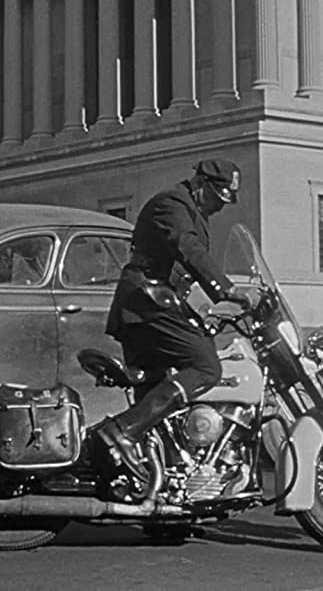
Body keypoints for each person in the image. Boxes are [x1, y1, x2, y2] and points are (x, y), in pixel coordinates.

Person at [98, 159, 252, 477]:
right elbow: (188, 248)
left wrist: (206, 310)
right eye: (219, 196)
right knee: (206, 367)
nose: (222, 206)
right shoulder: (172, 203)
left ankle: (165, 482)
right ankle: (123, 431)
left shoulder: (192, 210)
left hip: (154, 304)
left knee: (159, 385)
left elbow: (180, 268)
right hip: (146, 305)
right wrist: (228, 289)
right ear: (201, 185)